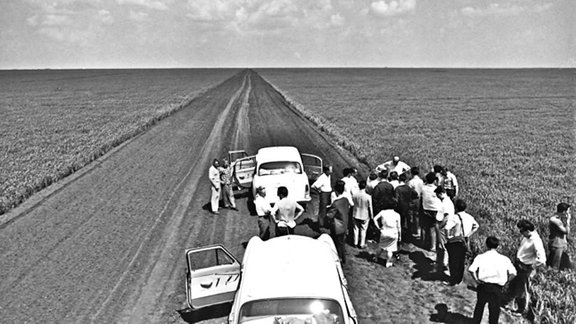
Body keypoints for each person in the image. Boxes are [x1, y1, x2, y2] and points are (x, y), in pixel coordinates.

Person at [468, 236, 517, 324]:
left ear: (486, 245)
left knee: (479, 306)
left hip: (483, 285)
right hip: (497, 287)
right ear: (497, 246)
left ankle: (476, 322)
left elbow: (471, 270)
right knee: (494, 310)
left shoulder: (481, 257)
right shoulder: (504, 259)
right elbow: (513, 273)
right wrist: (506, 281)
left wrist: (476, 279)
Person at [505, 219, 546, 315]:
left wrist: (531, 267)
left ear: (527, 230)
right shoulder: (527, 237)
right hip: (519, 265)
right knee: (514, 285)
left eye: (521, 231)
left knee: (522, 290)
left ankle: (521, 310)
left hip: (525, 267)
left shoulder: (536, 241)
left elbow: (542, 260)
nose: (521, 233)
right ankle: (511, 303)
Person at [444, 199, 479, 285]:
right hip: (465, 241)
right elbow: (476, 226)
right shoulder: (470, 217)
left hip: (456, 241)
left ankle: (453, 280)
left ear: (456, 208)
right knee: (461, 261)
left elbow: (446, 228)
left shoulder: (455, 217)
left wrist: (448, 237)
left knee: (453, 261)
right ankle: (459, 279)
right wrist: (469, 234)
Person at [326, 180, 350, 263]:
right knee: (342, 243)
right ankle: (343, 258)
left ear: (336, 191)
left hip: (336, 226)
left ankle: (338, 259)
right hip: (344, 224)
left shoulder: (336, 203)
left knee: (336, 244)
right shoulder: (346, 200)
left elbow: (329, 215)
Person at [435, 187, 454, 274]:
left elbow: (446, 218)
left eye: (437, 194)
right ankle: (442, 263)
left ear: (441, 193)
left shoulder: (446, 203)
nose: (437, 196)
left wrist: (439, 227)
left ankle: (444, 265)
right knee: (442, 245)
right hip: (443, 225)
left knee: (444, 246)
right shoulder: (445, 201)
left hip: (444, 226)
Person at [395, 173, 419, 241]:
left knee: (401, 222)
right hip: (408, 207)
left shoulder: (397, 189)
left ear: (399, 179)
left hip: (400, 207)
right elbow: (416, 194)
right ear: (405, 180)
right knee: (408, 221)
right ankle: (409, 236)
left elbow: (396, 199)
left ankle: (401, 236)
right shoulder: (408, 188)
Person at [421, 172, 441, 251]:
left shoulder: (423, 188)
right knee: (433, 228)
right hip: (435, 210)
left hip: (425, 209)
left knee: (426, 227)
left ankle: (425, 242)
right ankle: (433, 246)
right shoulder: (436, 189)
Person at [548, 202, 571, 270]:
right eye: (568, 211)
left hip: (561, 244)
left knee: (562, 262)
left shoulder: (561, 218)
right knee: (555, 264)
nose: (568, 213)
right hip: (557, 244)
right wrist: (568, 220)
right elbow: (566, 231)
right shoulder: (554, 220)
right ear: (564, 212)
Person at [352, 180, 373, 249]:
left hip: (355, 213)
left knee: (356, 229)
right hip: (364, 214)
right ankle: (362, 244)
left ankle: (355, 242)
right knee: (363, 230)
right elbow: (370, 207)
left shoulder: (355, 195)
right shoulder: (368, 196)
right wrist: (372, 216)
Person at [407, 166, 424, 238]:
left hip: (412, 199)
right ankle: (417, 230)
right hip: (419, 199)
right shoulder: (421, 181)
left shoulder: (411, 182)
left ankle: (411, 230)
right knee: (417, 215)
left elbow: (409, 192)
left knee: (411, 215)